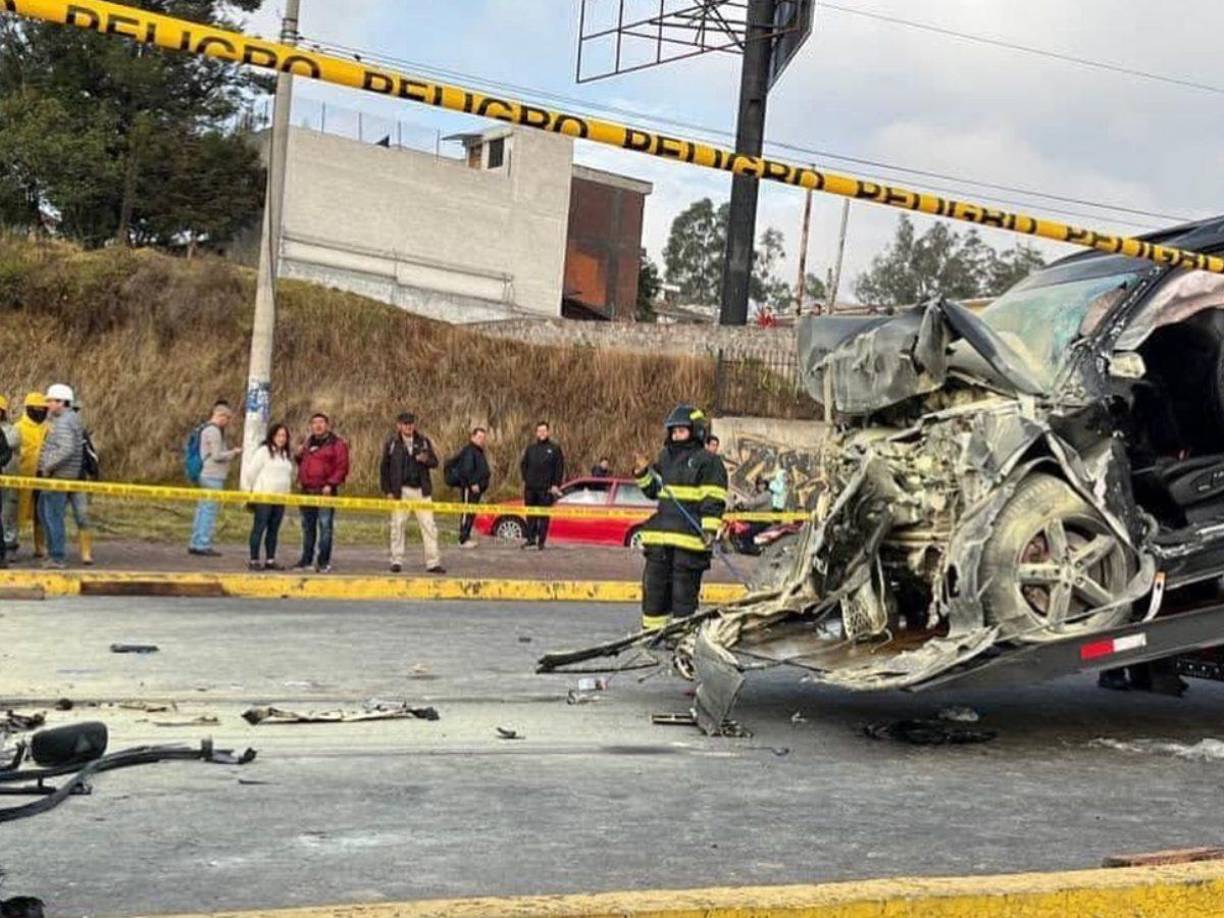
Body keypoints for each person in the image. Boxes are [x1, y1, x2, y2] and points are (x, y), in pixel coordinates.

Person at [633, 405, 728, 631]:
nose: (676, 436)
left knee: (682, 592)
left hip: (689, 540)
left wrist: (709, 530)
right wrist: (642, 474)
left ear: (696, 431)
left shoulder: (708, 461)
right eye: (673, 432)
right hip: (660, 538)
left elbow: (713, 498)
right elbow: (654, 491)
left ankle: (680, 633)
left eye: (682, 431)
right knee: (654, 589)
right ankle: (653, 633)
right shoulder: (665, 457)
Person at [381, 412, 444, 574]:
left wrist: (426, 460)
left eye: (411, 424)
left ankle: (433, 562)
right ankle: (396, 560)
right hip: (401, 490)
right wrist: (388, 490)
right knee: (397, 526)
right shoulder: (392, 444)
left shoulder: (423, 442)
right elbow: (384, 469)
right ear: (399, 426)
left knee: (429, 527)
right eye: (405, 424)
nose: (408, 427)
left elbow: (435, 462)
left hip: (421, 491)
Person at [36, 384, 85, 569]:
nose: (47, 404)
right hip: (61, 475)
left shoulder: (64, 422)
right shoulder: (70, 419)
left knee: (52, 515)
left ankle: (56, 556)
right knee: (45, 512)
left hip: (58, 476)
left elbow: (66, 449)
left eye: (50, 401)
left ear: (61, 402)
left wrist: (48, 466)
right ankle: (53, 553)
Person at [294, 413, 349, 573]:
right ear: (310, 426)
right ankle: (306, 560)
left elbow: (342, 467)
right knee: (307, 527)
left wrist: (331, 484)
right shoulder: (307, 443)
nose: (318, 426)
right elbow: (305, 464)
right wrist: (298, 457)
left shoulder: (337, 444)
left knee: (325, 527)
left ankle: (323, 562)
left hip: (325, 491)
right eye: (314, 423)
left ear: (327, 425)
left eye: (321, 422)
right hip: (306, 491)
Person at [188, 400, 241, 557]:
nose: (227, 422)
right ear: (220, 415)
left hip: (206, 474)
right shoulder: (214, 431)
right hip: (213, 475)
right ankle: (203, 543)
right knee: (209, 511)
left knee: (202, 509)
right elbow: (217, 455)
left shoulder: (204, 429)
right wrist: (233, 452)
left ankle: (195, 541)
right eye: (227, 418)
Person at [242, 423, 295, 571]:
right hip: (264, 497)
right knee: (259, 528)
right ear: (272, 436)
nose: (281, 438)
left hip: (280, 498)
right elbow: (251, 473)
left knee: (273, 530)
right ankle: (254, 560)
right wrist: (252, 492)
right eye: (279, 435)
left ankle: (270, 559)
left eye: (284, 436)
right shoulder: (263, 452)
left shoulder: (285, 455)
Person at [519, 421, 565, 550]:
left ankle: (541, 542)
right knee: (530, 515)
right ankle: (530, 539)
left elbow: (559, 468)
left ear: (548, 432)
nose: (542, 433)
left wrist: (556, 484)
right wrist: (526, 479)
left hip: (546, 489)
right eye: (539, 431)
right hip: (530, 488)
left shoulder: (555, 448)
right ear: (536, 433)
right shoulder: (531, 448)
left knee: (544, 517)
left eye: (544, 431)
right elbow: (523, 465)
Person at [14, 391, 48, 558]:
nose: (40, 412)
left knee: (40, 513)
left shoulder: (48, 428)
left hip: (42, 477)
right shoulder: (19, 428)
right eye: (37, 409)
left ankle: (39, 546)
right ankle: (11, 544)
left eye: (43, 409)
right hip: (22, 476)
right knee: (15, 512)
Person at [69, 396, 98, 565]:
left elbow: (91, 455)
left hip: (79, 481)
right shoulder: (51, 429)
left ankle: (86, 553)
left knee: (83, 517)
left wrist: (93, 473)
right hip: (56, 480)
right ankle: (43, 550)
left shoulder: (81, 432)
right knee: (48, 517)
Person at [453, 427, 491, 549]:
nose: (481, 440)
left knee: (471, 513)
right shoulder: (469, 450)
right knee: (467, 512)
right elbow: (467, 469)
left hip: (477, 488)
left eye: (483, 438)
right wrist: (473, 483)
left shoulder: (479, 451)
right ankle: (462, 539)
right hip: (469, 488)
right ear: (472, 437)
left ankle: (467, 536)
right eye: (479, 437)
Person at [0, 396, 18, 563]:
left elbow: (8, 451)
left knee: (7, 513)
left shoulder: (9, 431)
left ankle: (6, 550)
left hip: (6, 478)